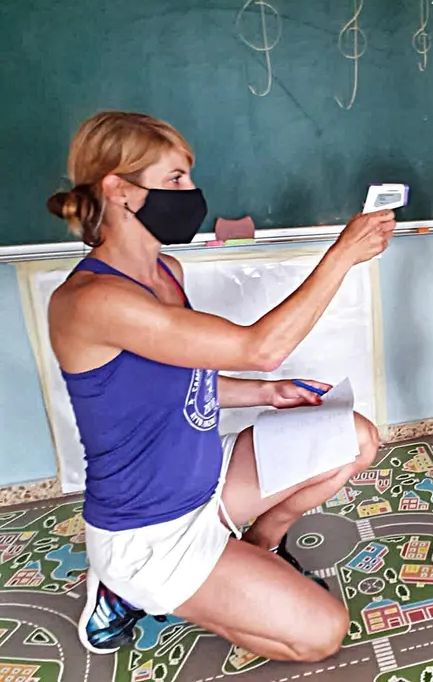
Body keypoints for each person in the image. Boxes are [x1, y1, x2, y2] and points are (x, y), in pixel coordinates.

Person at [45, 111, 395, 661]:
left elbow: (180, 380)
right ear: (118, 190)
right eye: (175, 179)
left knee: (355, 436)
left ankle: (257, 547)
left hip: (207, 484)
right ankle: (125, 588)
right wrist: (343, 254)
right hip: (150, 535)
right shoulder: (92, 301)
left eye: (189, 176)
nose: (191, 192)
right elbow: (262, 347)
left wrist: (263, 394)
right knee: (321, 632)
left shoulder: (167, 273)